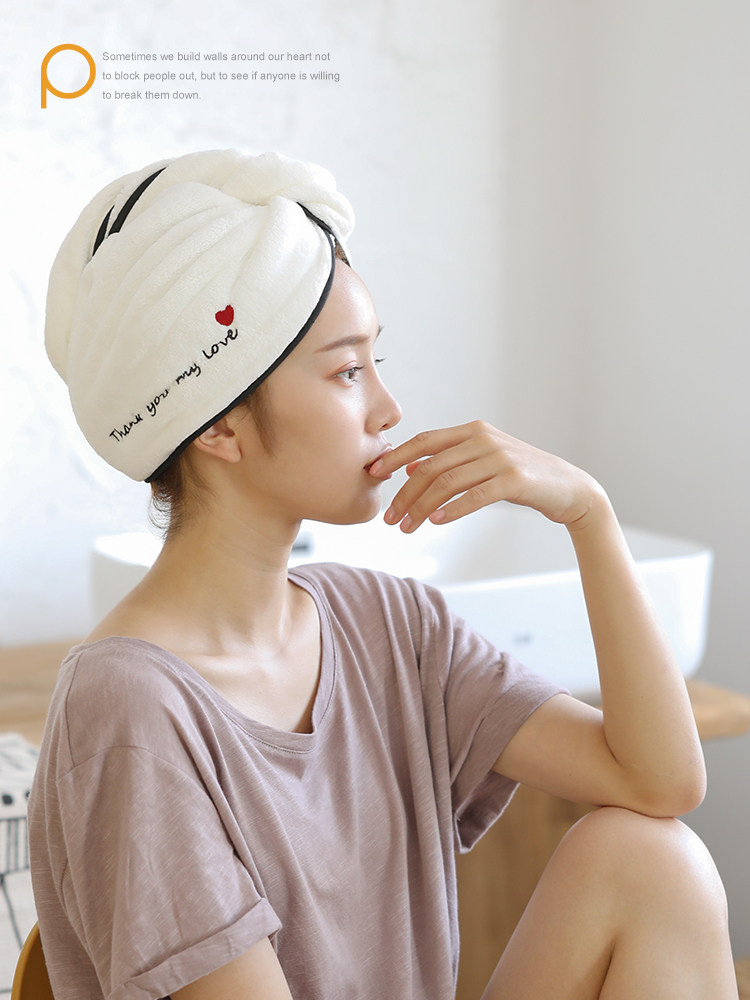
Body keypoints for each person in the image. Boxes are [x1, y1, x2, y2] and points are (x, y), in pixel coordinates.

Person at [28, 149, 737, 1000]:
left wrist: (589, 513)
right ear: (218, 427)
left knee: (653, 860)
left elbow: (659, 781)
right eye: (347, 371)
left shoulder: (387, 623)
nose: (388, 409)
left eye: (376, 362)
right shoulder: (129, 708)